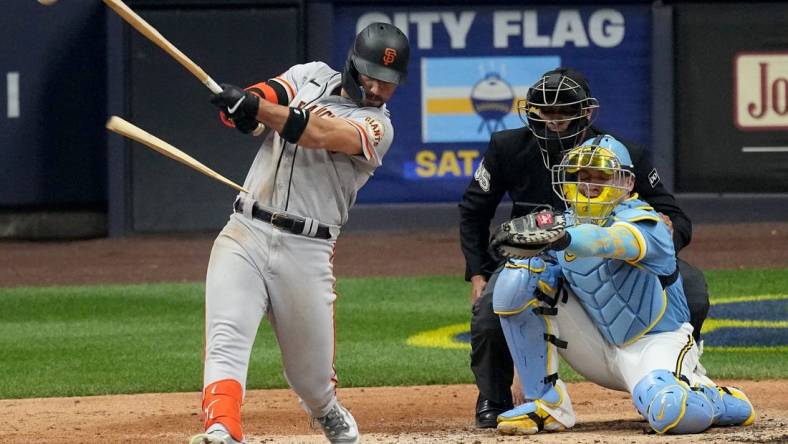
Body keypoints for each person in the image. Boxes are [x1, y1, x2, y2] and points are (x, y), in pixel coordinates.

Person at [188, 23, 410, 444]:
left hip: (307, 249)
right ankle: (222, 427)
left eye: (390, 83)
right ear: (352, 66)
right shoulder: (309, 75)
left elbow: (317, 133)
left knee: (309, 376)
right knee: (226, 336)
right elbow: (262, 103)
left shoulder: (378, 127)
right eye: (372, 77)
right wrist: (239, 107)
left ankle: (325, 409)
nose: (380, 90)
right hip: (245, 230)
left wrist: (256, 107)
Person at [458, 68, 711, 427]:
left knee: (693, 288)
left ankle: (678, 372)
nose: (553, 122)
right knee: (489, 312)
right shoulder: (507, 147)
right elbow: (473, 211)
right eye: (545, 113)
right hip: (534, 255)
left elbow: (674, 214)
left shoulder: (624, 153)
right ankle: (495, 397)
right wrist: (479, 272)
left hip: (612, 255)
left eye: (563, 114)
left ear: (586, 113)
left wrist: (664, 237)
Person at [491, 135, 754, 435]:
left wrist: (564, 238)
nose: (588, 183)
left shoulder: (646, 221)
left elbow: (611, 241)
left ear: (627, 183)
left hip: (654, 343)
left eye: (600, 176)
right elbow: (533, 296)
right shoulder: (563, 224)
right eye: (581, 176)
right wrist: (519, 372)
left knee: (672, 413)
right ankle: (547, 403)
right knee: (518, 276)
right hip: (598, 346)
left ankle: (716, 398)